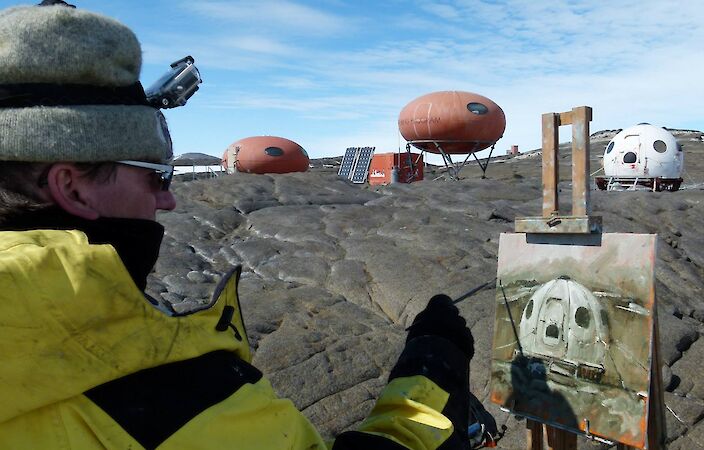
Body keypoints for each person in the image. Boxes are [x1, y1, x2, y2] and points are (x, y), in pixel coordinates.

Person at [0, 2, 475, 449]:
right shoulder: (163, 397)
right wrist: (433, 373)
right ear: (71, 186)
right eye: (154, 175)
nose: (167, 198)